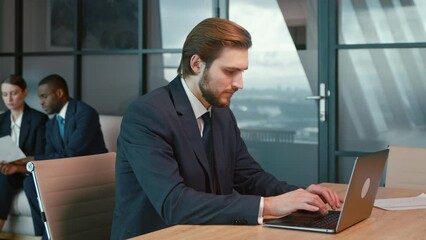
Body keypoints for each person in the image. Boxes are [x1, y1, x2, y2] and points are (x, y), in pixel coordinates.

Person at [111, 18, 342, 239]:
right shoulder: (148, 114)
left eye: (242, 72)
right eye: (230, 72)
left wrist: (301, 196)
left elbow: (249, 177)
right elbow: (175, 204)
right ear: (196, 64)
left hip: (209, 233)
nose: (240, 84)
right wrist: (269, 205)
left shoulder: (221, 114)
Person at [23, 74, 108, 239]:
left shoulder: (85, 113)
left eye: (44, 96)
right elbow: (49, 156)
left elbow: (72, 153)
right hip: (66, 170)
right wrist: (24, 166)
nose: (41, 102)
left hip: (89, 170)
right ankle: (46, 232)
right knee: (30, 182)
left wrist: (33, 159)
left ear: (59, 93)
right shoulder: (51, 124)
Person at [0, 75, 48, 233]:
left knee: (4, 177)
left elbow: (40, 156)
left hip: (27, 172)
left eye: (13, 93)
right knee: (4, 175)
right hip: (6, 171)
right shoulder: (1, 120)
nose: (9, 99)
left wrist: (18, 167)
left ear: (25, 92)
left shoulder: (38, 119)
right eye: (5, 94)